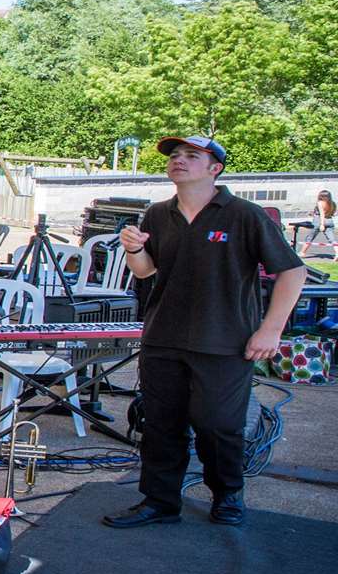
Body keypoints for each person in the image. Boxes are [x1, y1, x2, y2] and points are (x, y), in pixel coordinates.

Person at [103, 136, 306, 530]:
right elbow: (146, 272)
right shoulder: (158, 214)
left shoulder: (244, 214)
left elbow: (293, 271)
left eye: (191, 156)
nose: (179, 161)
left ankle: (227, 492)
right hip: (163, 336)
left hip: (225, 340)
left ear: (215, 168)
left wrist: (271, 329)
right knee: (160, 424)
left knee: (218, 424)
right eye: (175, 156)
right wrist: (132, 249)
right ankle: (160, 500)